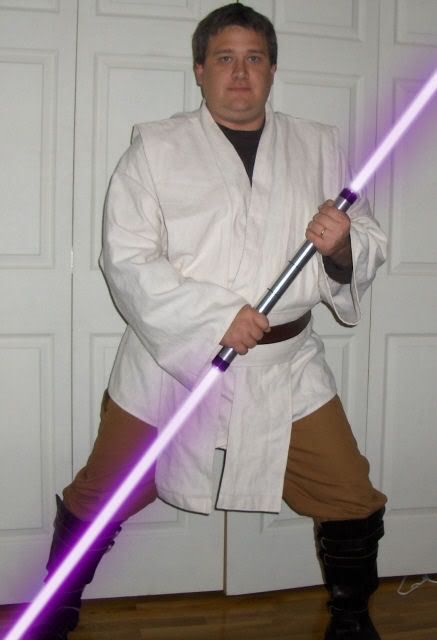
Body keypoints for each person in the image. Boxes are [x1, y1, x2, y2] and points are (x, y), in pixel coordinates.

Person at [28, 4, 387, 639]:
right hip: (172, 363)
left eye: (254, 58)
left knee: (350, 493)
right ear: (200, 69)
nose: (240, 73)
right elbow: (127, 259)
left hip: (285, 365)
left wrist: (341, 248)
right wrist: (218, 316)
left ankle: (352, 620)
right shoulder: (155, 149)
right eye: (225, 58)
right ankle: (55, 606)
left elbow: (367, 239)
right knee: (102, 493)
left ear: (272, 69)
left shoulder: (319, 145)